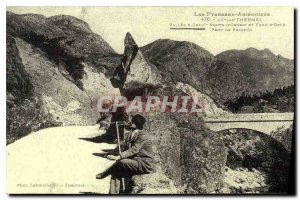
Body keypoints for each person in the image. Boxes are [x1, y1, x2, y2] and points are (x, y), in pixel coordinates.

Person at [96, 114, 156, 194]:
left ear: (136, 123)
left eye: (132, 121)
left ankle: (105, 173)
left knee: (121, 162)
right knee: (116, 171)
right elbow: (125, 147)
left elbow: (134, 150)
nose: (130, 122)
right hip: (135, 162)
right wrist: (116, 148)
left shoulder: (143, 135)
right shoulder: (132, 133)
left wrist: (118, 157)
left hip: (144, 163)